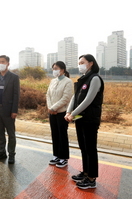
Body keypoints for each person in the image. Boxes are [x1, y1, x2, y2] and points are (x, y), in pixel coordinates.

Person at [65, 54, 104, 189]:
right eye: (79, 62)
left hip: (90, 119)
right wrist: (68, 112)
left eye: (82, 62)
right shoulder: (83, 79)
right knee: (83, 147)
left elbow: (88, 100)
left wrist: (73, 114)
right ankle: (86, 172)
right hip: (80, 118)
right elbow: (74, 97)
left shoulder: (95, 79)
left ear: (91, 63)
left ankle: (92, 178)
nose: (80, 65)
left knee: (90, 148)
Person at [0, 55, 20, 164]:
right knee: (0, 133)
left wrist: (14, 110)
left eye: (3, 61)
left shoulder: (14, 77)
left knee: (11, 134)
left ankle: (11, 154)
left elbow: (16, 95)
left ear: (8, 64)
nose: (1, 63)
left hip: (9, 110)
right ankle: (1, 152)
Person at [46, 61, 73, 168]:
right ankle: (56, 155)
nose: (54, 70)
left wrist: (54, 108)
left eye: (56, 68)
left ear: (62, 70)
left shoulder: (68, 82)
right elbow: (48, 95)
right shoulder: (53, 81)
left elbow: (66, 98)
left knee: (62, 135)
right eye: (53, 69)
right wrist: (50, 108)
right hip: (52, 112)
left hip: (61, 113)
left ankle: (64, 157)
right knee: (55, 134)